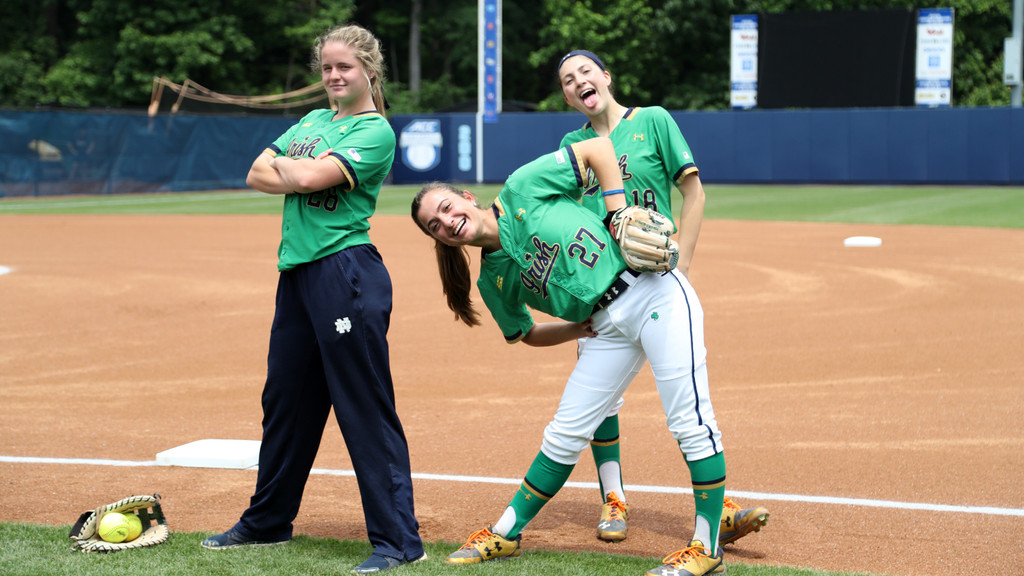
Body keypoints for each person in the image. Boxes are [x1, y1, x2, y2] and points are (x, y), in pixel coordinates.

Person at [411, 136, 728, 576]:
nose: (446, 222)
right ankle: (504, 533)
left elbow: (598, 149)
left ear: (466, 198)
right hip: (604, 327)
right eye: (434, 226)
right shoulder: (492, 282)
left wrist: (617, 211)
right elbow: (525, 333)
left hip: (653, 293)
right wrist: (575, 330)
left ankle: (707, 547)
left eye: (446, 208)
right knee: (564, 433)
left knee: (690, 420)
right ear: (439, 240)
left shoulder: (522, 187)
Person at [200, 24, 426, 575]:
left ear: (368, 70)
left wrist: (295, 171)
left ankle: (399, 541)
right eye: (326, 67)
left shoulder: (375, 132)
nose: (332, 76)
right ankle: (268, 522)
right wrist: (295, 172)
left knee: (362, 405)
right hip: (298, 274)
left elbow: (306, 174)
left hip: (345, 271)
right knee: (285, 403)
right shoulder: (313, 121)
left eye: (343, 67)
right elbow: (259, 173)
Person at [556, 49, 769, 547]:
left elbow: (693, 192)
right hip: (605, 292)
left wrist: (684, 265)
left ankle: (720, 506)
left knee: (687, 400)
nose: (578, 81)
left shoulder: (652, 121)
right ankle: (614, 498)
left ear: (606, 77)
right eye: (567, 80)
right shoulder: (573, 144)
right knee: (601, 399)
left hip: (659, 283)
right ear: (567, 96)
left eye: (585, 71)